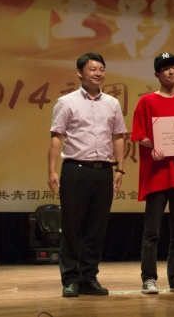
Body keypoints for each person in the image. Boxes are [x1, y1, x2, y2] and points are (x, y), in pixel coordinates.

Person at [47, 52, 126, 298]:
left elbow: (118, 136)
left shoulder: (112, 103)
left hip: (103, 171)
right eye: (93, 69)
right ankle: (70, 279)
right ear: (80, 73)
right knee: (72, 227)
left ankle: (88, 277)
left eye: (101, 69)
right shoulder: (66, 102)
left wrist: (120, 168)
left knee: (96, 228)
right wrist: (51, 170)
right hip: (75, 170)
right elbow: (56, 137)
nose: (98, 73)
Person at [131, 52, 174, 295]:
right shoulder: (146, 102)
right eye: (166, 68)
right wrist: (156, 145)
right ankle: (149, 278)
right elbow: (139, 135)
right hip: (156, 175)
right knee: (152, 232)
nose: (171, 71)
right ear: (157, 74)